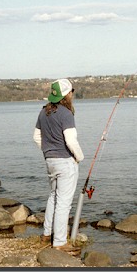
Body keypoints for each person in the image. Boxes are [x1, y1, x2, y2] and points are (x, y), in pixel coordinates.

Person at [33, 78, 84, 254]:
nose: (72, 94)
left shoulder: (43, 112)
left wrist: (48, 151)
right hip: (65, 163)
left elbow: (36, 137)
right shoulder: (66, 114)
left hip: (50, 161)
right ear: (66, 95)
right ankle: (60, 242)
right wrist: (79, 157)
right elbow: (71, 140)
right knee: (63, 203)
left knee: (53, 197)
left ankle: (46, 234)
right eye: (71, 91)